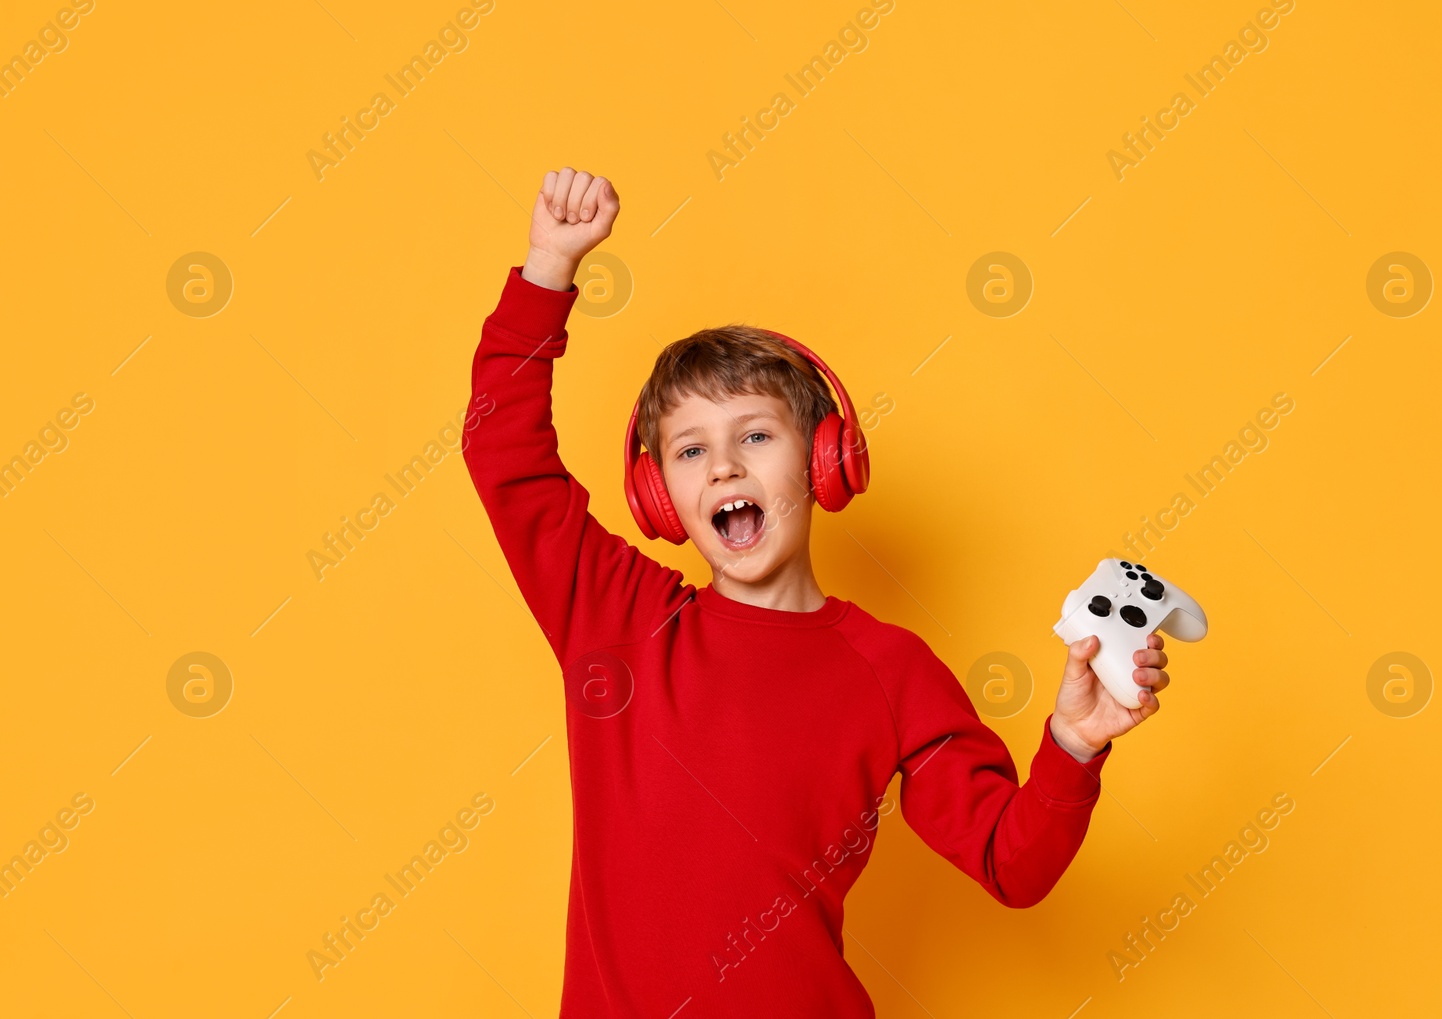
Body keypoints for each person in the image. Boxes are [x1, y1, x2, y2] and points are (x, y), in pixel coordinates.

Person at [463, 166, 1173, 1017]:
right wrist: (548, 267)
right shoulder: (615, 616)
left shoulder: (892, 670)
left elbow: (1011, 863)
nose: (723, 463)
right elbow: (503, 450)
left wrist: (1074, 743)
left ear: (824, 460)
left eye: (755, 435)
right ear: (659, 497)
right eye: (690, 451)